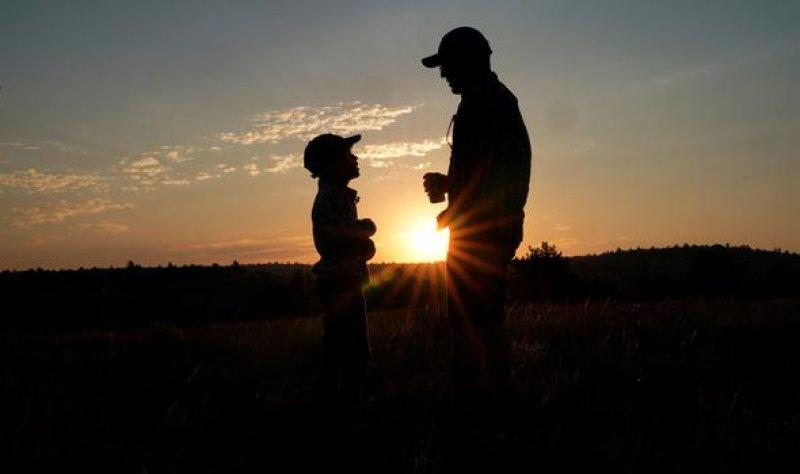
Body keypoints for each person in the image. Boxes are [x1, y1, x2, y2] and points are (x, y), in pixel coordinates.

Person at [421, 27, 532, 406]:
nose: (443, 74)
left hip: (482, 230)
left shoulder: (484, 102)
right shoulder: (490, 99)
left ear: (469, 61)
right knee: (486, 318)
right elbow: (486, 170)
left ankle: (474, 403)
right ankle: (496, 398)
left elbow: (486, 174)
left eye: (447, 65)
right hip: (489, 225)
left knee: (470, 321)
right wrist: (449, 187)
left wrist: (453, 204)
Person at [304, 133, 376, 409]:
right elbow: (336, 236)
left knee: (338, 350)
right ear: (331, 165)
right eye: (348, 155)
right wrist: (367, 230)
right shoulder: (332, 198)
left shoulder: (337, 196)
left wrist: (363, 247)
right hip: (341, 284)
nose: (355, 158)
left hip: (341, 282)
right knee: (353, 353)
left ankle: (336, 407)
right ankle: (344, 410)